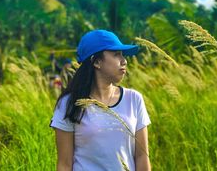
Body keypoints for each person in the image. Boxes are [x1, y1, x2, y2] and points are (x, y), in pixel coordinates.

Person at [50, 29, 151, 171]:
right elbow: (65, 164)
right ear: (96, 62)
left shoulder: (134, 99)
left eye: (123, 55)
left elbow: (142, 156)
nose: (124, 61)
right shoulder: (69, 104)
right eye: (116, 54)